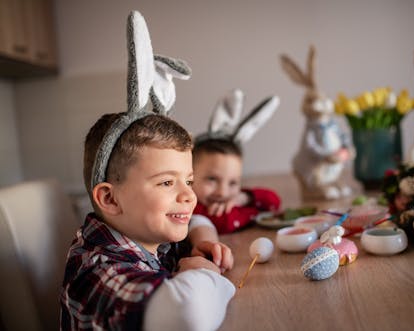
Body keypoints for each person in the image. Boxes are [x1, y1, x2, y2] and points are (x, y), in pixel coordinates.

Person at [60, 113, 235, 331]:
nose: (189, 195)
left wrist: (204, 241)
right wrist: (203, 271)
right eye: (167, 182)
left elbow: (198, 220)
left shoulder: (148, 235)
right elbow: (189, 314)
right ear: (110, 199)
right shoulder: (97, 270)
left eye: (189, 181)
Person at [192, 137, 281, 234]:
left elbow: (273, 201)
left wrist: (245, 198)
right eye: (212, 179)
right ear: (189, 175)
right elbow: (226, 223)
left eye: (233, 183)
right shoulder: (190, 207)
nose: (222, 192)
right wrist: (257, 214)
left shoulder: (236, 198)